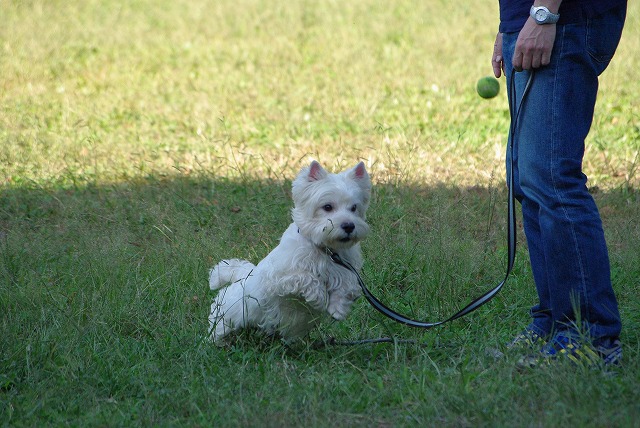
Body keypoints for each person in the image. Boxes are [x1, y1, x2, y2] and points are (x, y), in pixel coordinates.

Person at [491, 0, 627, 367]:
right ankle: (554, 322)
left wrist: (544, 13)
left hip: (564, 20)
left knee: (552, 178)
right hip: (534, 20)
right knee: (530, 180)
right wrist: (513, 23)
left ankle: (591, 335)